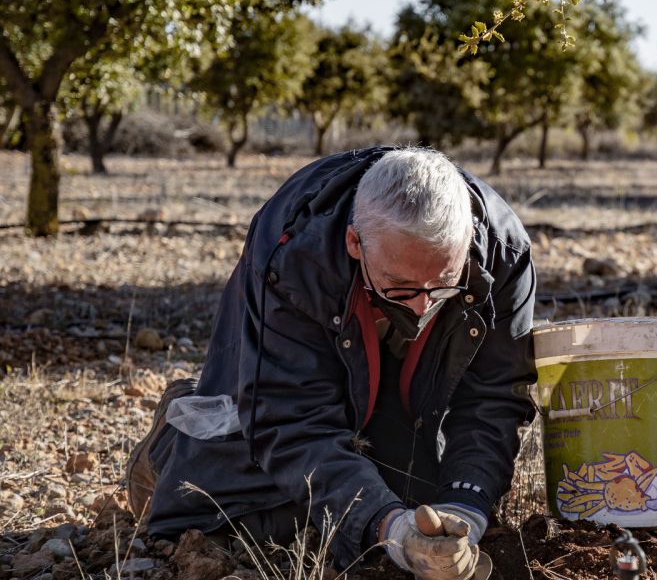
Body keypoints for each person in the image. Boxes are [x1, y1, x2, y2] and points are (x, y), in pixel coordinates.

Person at [125, 146, 536, 578]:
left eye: (444, 285)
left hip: (398, 379)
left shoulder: (504, 252)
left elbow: (494, 396)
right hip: (298, 373)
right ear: (354, 243)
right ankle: (171, 443)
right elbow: (290, 420)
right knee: (216, 517)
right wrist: (389, 528)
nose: (422, 308)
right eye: (402, 288)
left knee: (416, 502)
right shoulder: (293, 253)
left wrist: (465, 507)